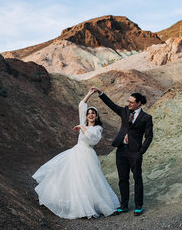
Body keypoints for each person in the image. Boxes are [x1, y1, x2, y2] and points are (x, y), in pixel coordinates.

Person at [32, 88, 120, 219]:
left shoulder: (97, 128)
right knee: (70, 177)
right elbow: (81, 105)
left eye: (93, 114)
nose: (90, 115)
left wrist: (82, 127)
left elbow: (92, 138)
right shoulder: (83, 122)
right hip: (76, 152)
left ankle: (90, 206)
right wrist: (89, 94)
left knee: (87, 179)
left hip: (87, 155)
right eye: (89, 113)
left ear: (96, 116)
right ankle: (72, 205)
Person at [92, 88, 153, 216]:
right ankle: (124, 205)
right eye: (128, 101)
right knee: (122, 179)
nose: (128, 104)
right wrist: (100, 93)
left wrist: (141, 151)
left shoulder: (146, 118)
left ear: (138, 103)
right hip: (121, 150)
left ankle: (138, 206)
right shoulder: (124, 111)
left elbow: (149, 136)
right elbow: (111, 105)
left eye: (131, 102)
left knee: (137, 179)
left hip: (135, 152)